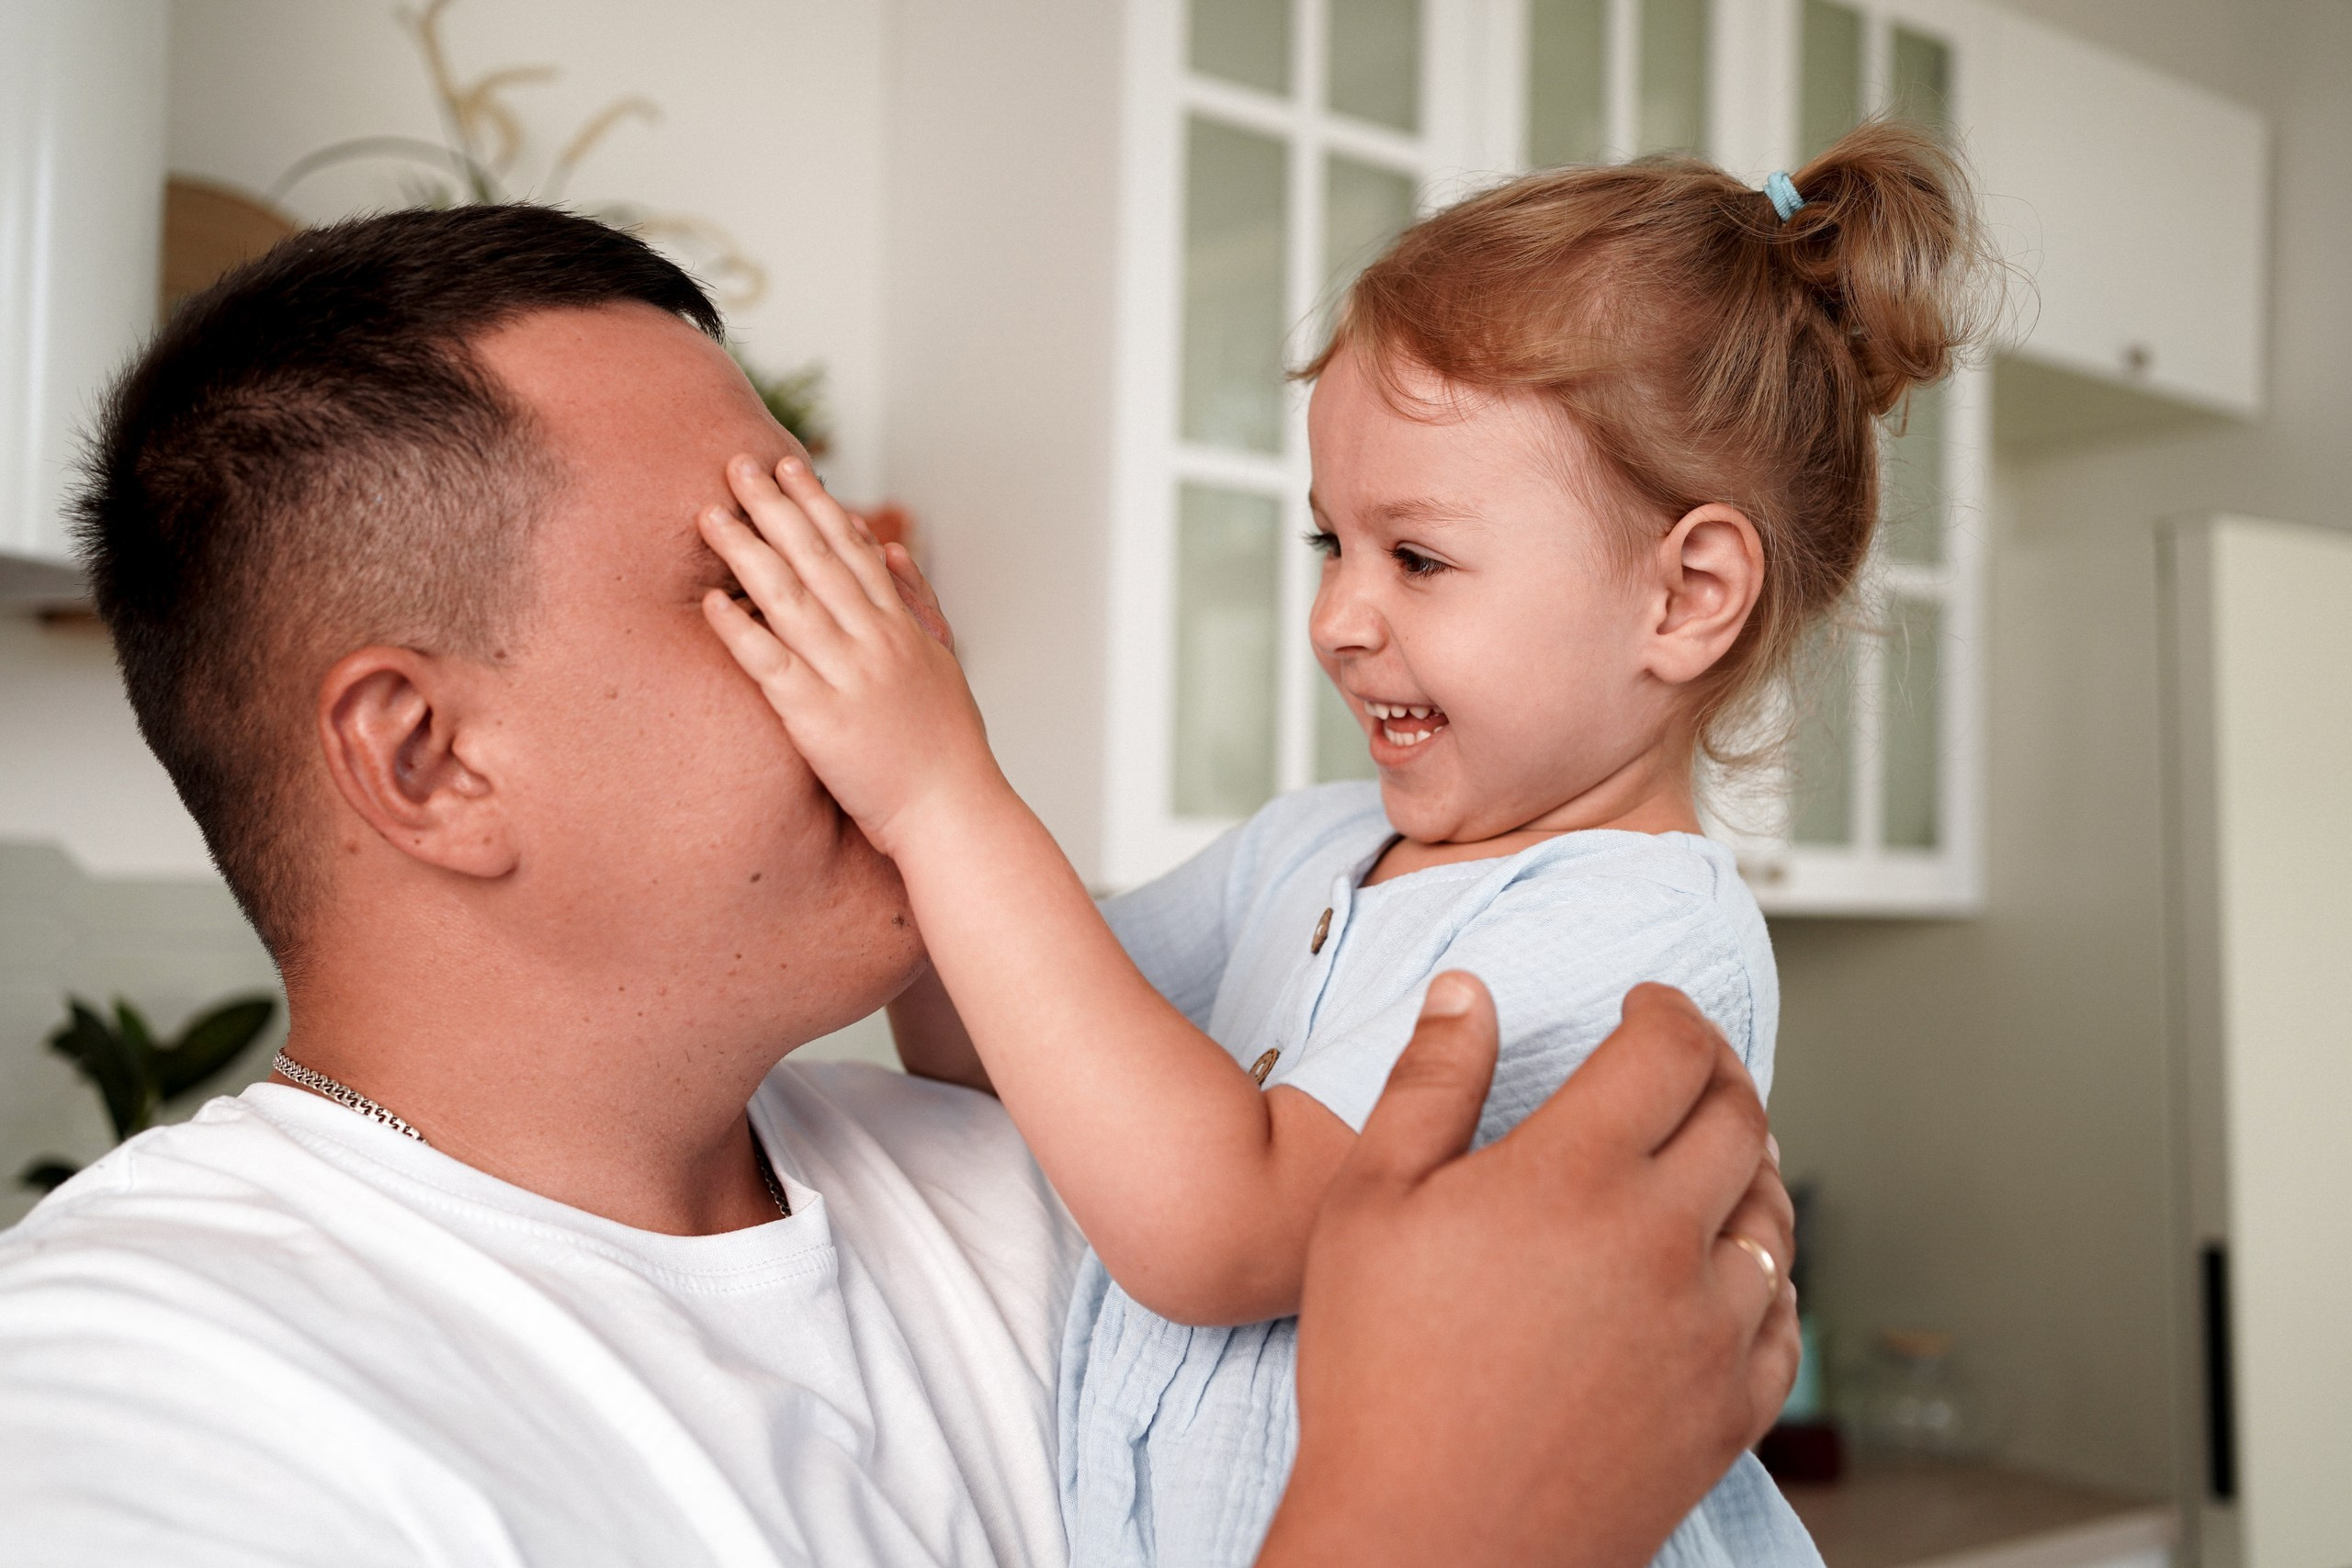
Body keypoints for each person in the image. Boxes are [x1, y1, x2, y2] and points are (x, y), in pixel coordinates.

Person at [0, 203, 1794, 1567]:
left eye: (848, 558)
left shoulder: (1032, 1174)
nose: (882, 628)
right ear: (429, 760)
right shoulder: (146, 1396)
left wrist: (943, 804)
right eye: (765, 576)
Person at [695, 120, 1983, 1568]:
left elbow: (1221, 1228)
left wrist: (945, 795)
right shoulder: (1310, 847)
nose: (1336, 619)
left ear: (1686, 596)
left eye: (1417, 557)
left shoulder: (1640, 940)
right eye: (1332, 545)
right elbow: (983, 1051)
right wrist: (896, 775)